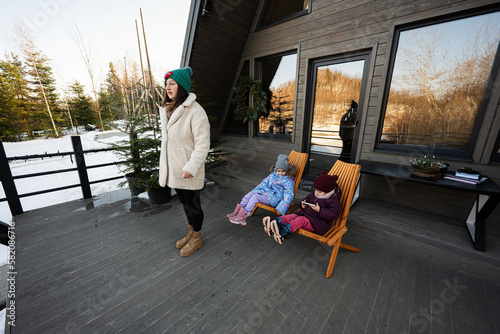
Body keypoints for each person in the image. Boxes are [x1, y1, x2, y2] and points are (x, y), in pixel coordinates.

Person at [158, 67, 211, 257]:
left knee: (193, 205)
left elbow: (203, 145)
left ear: (182, 86)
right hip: (175, 169)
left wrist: (190, 167)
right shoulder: (168, 109)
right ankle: (191, 232)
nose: (167, 87)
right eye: (166, 84)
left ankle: (197, 237)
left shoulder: (196, 111)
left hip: (188, 170)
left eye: (172, 83)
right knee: (184, 204)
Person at [262, 171, 341, 244]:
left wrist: (320, 210)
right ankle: (275, 222)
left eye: (319, 192)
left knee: (300, 220)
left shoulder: (333, 201)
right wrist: (302, 204)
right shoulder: (314, 194)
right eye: (315, 190)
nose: (316, 193)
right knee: (292, 216)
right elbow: (305, 200)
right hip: (305, 214)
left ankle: (283, 230)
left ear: (328, 191)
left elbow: (333, 214)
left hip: (317, 223)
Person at [226, 154, 297, 226]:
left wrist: (281, 208)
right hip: (267, 193)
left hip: (275, 198)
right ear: (276, 169)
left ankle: (242, 217)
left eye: (283, 171)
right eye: (278, 171)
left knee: (255, 197)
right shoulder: (273, 175)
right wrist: (255, 191)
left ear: (287, 170)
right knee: (250, 195)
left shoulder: (288, 181)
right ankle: (237, 212)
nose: (280, 173)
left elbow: (288, 195)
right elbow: (263, 183)